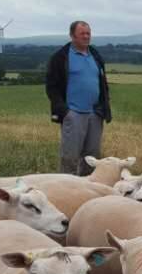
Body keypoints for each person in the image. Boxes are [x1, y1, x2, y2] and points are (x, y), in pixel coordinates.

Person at [46, 20, 111, 175]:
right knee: (70, 157)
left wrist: (102, 107)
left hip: (95, 114)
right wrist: (65, 111)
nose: (86, 36)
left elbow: (103, 83)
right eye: (82, 33)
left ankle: (87, 190)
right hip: (73, 114)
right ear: (72, 35)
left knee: (92, 158)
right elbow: (51, 87)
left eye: (88, 33)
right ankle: (67, 190)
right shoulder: (61, 57)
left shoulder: (95, 55)